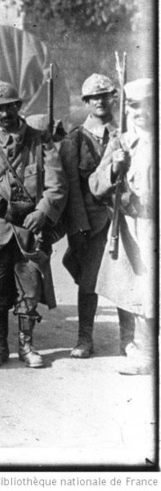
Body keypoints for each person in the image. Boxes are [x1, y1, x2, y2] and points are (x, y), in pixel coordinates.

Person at [0, 81, 67, 369]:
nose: (4, 113)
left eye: (8, 106)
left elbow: (56, 186)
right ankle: (0, 345)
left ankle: (26, 344)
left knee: (29, 291)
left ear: (18, 107)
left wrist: (43, 213)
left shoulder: (40, 141)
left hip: (30, 232)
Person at [90, 78, 156, 376]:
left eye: (147, 104)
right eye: (133, 105)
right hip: (137, 228)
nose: (141, 111)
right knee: (144, 288)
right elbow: (96, 185)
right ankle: (145, 355)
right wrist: (114, 167)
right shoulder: (123, 141)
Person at [59, 74, 127, 359]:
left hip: (124, 221)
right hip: (91, 223)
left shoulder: (126, 133)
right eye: (93, 97)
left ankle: (129, 340)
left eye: (105, 95)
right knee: (88, 282)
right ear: (86, 102)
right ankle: (84, 338)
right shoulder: (75, 139)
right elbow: (72, 188)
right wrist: (78, 227)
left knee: (127, 280)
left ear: (114, 97)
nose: (100, 101)